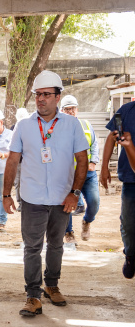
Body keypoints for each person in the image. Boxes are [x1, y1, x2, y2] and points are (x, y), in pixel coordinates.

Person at [2, 70, 89, 317]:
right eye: (37, 95)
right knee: (32, 247)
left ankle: (52, 285)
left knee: (56, 245)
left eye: (46, 95)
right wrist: (6, 194)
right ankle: (32, 295)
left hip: (62, 198)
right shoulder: (24, 125)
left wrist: (75, 192)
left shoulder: (72, 125)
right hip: (32, 198)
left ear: (57, 97)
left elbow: (82, 160)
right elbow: (12, 161)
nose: (41, 99)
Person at [101, 100, 135, 279]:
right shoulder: (127, 111)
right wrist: (104, 167)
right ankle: (130, 255)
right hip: (131, 181)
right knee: (129, 224)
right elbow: (111, 137)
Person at [60, 95, 100, 244]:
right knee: (67, 204)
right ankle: (68, 232)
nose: (70, 111)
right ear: (62, 110)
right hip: (68, 175)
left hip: (88, 174)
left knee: (94, 202)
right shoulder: (57, 128)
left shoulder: (86, 125)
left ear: (77, 109)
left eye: (73, 109)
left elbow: (94, 144)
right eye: (67, 109)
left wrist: (94, 161)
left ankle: (87, 221)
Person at [12, 108, 30, 211]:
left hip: (29, 161)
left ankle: (28, 203)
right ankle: (20, 203)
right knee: (18, 182)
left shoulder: (32, 128)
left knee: (29, 182)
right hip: (18, 162)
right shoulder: (13, 128)